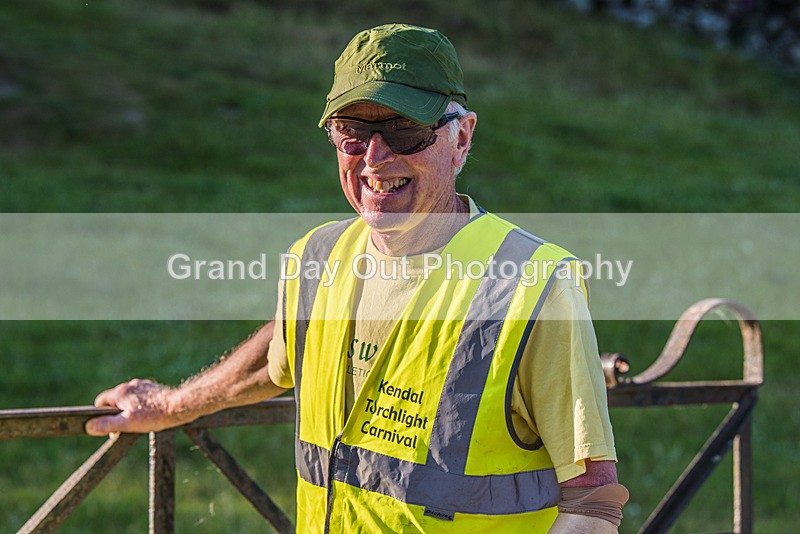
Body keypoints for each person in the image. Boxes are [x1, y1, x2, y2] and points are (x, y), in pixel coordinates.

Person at [87, 23, 628, 533]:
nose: (375, 156)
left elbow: (593, 502)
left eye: (405, 130)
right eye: (352, 131)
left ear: (461, 139)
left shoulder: (533, 286)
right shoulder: (318, 257)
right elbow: (280, 354)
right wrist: (170, 406)